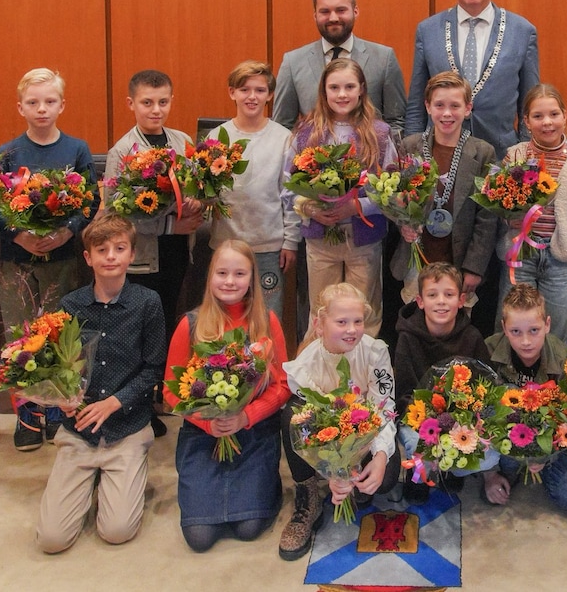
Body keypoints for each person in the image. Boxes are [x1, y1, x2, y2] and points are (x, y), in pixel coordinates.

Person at [36, 214, 166, 553]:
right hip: (79, 429)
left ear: (132, 254)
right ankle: (87, 476)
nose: (111, 256)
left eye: (119, 248)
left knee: (117, 531)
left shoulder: (147, 303)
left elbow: (154, 368)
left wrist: (115, 401)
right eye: (102, 249)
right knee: (51, 540)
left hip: (127, 425)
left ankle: (119, 474)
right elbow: (59, 367)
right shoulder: (71, 305)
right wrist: (61, 397)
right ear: (88, 257)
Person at [0, 68, 97, 452]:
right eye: (33, 102)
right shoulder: (8, 154)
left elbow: (90, 200)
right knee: (19, 336)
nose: (42, 109)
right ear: (20, 107)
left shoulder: (76, 149)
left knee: (58, 334)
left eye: (49, 101)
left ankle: (56, 408)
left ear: (62, 105)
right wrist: (18, 234)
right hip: (17, 261)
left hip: (63, 257)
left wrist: (67, 230)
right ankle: (27, 413)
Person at [163, 240, 291, 552]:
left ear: (252, 279)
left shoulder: (267, 321)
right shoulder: (190, 324)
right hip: (203, 435)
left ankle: (264, 487)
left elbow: (284, 384)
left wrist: (247, 415)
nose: (230, 281)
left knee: (249, 528)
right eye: (222, 273)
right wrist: (209, 425)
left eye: (239, 273)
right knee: (200, 538)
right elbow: (170, 390)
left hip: (255, 432)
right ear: (209, 277)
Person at [105, 69, 203, 437]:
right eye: (147, 103)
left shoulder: (181, 141)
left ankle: (156, 399)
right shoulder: (122, 151)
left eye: (163, 102)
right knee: (141, 330)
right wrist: (166, 226)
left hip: (179, 251)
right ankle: (136, 406)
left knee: (166, 324)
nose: (155, 110)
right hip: (144, 257)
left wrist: (196, 200)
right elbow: (117, 214)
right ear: (131, 104)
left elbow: (196, 186)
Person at [278, 283, 398, 561]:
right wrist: (334, 471)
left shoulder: (375, 352)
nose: (352, 329)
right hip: (329, 434)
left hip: (366, 431)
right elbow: (318, 424)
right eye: (341, 322)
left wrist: (379, 456)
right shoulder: (305, 365)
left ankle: (358, 484)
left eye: (358, 321)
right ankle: (308, 497)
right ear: (320, 325)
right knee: (292, 415)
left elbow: (384, 406)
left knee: (387, 478)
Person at [291, 58, 397, 337]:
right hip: (319, 238)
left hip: (363, 239)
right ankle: (320, 377)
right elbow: (288, 186)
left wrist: (357, 206)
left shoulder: (380, 134)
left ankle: (363, 373)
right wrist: (310, 208)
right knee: (322, 312)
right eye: (334, 87)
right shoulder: (306, 133)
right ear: (323, 91)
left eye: (349, 86)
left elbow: (391, 188)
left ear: (362, 89)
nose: (342, 94)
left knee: (363, 311)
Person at [405, 0, 540, 158]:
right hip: (439, 156)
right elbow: (417, 101)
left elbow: (530, 103)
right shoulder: (428, 31)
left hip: (501, 158)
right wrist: (413, 157)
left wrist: (526, 155)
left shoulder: (522, 31)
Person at [497, 84, 567, 339]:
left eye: (553, 114)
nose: (547, 122)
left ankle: (552, 377)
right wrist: (511, 214)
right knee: (513, 322)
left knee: (556, 328)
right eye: (538, 116)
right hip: (521, 255)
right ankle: (510, 376)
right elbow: (498, 205)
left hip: (560, 259)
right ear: (526, 122)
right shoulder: (514, 156)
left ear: (565, 115)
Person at [393, 71, 498, 306]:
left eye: (455, 105)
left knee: (456, 327)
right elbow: (395, 197)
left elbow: (487, 218)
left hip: (459, 260)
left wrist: (474, 266)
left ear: (468, 108)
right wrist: (402, 225)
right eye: (439, 105)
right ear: (428, 107)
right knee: (415, 321)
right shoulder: (410, 147)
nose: (447, 113)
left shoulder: (483, 153)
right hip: (418, 256)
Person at [393, 262, 491, 502]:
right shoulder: (407, 337)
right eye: (432, 295)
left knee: (490, 454)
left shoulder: (472, 337)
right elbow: (404, 392)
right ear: (420, 301)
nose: (441, 301)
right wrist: (432, 420)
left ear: (461, 300)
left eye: (449, 295)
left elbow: (485, 385)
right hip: (418, 418)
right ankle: (418, 474)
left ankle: (450, 469)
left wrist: (461, 421)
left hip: (460, 419)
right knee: (418, 440)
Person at [210, 60, 300, 320]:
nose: (252, 97)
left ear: (270, 95)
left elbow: (291, 195)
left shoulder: (284, 138)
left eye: (260, 90)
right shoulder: (216, 137)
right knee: (224, 316)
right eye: (244, 89)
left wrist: (291, 241)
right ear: (232, 93)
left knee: (268, 316)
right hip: (227, 243)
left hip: (268, 247)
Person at [481, 283, 567, 508]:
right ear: (504, 327)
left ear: (547, 325)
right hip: (505, 439)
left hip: (550, 441)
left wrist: (546, 456)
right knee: (504, 396)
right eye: (516, 331)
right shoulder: (488, 351)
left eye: (533, 330)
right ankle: (506, 469)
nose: (525, 341)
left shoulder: (565, 358)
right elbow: (480, 413)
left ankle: (540, 469)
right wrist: (490, 474)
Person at [272, 0, 406, 132]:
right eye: (325, 11)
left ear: (355, 11)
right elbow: (282, 126)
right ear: (315, 15)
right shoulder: (293, 62)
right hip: (313, 154)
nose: (333, 18)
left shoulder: (383, 58)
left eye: (341, 10)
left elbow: (397, 121)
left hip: (371, 153)